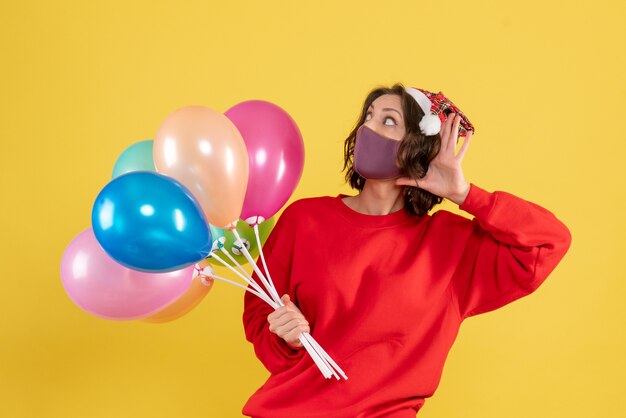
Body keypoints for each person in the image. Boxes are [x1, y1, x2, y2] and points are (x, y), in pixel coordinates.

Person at [241, 83, 572, 417]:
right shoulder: (305, 219)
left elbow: (549, 241)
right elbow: (258, 314)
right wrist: (288, 338)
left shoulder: (451, 245)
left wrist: (465, 194)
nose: (367, 127)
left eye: (387, 121)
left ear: (416, 147)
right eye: (367, 117)